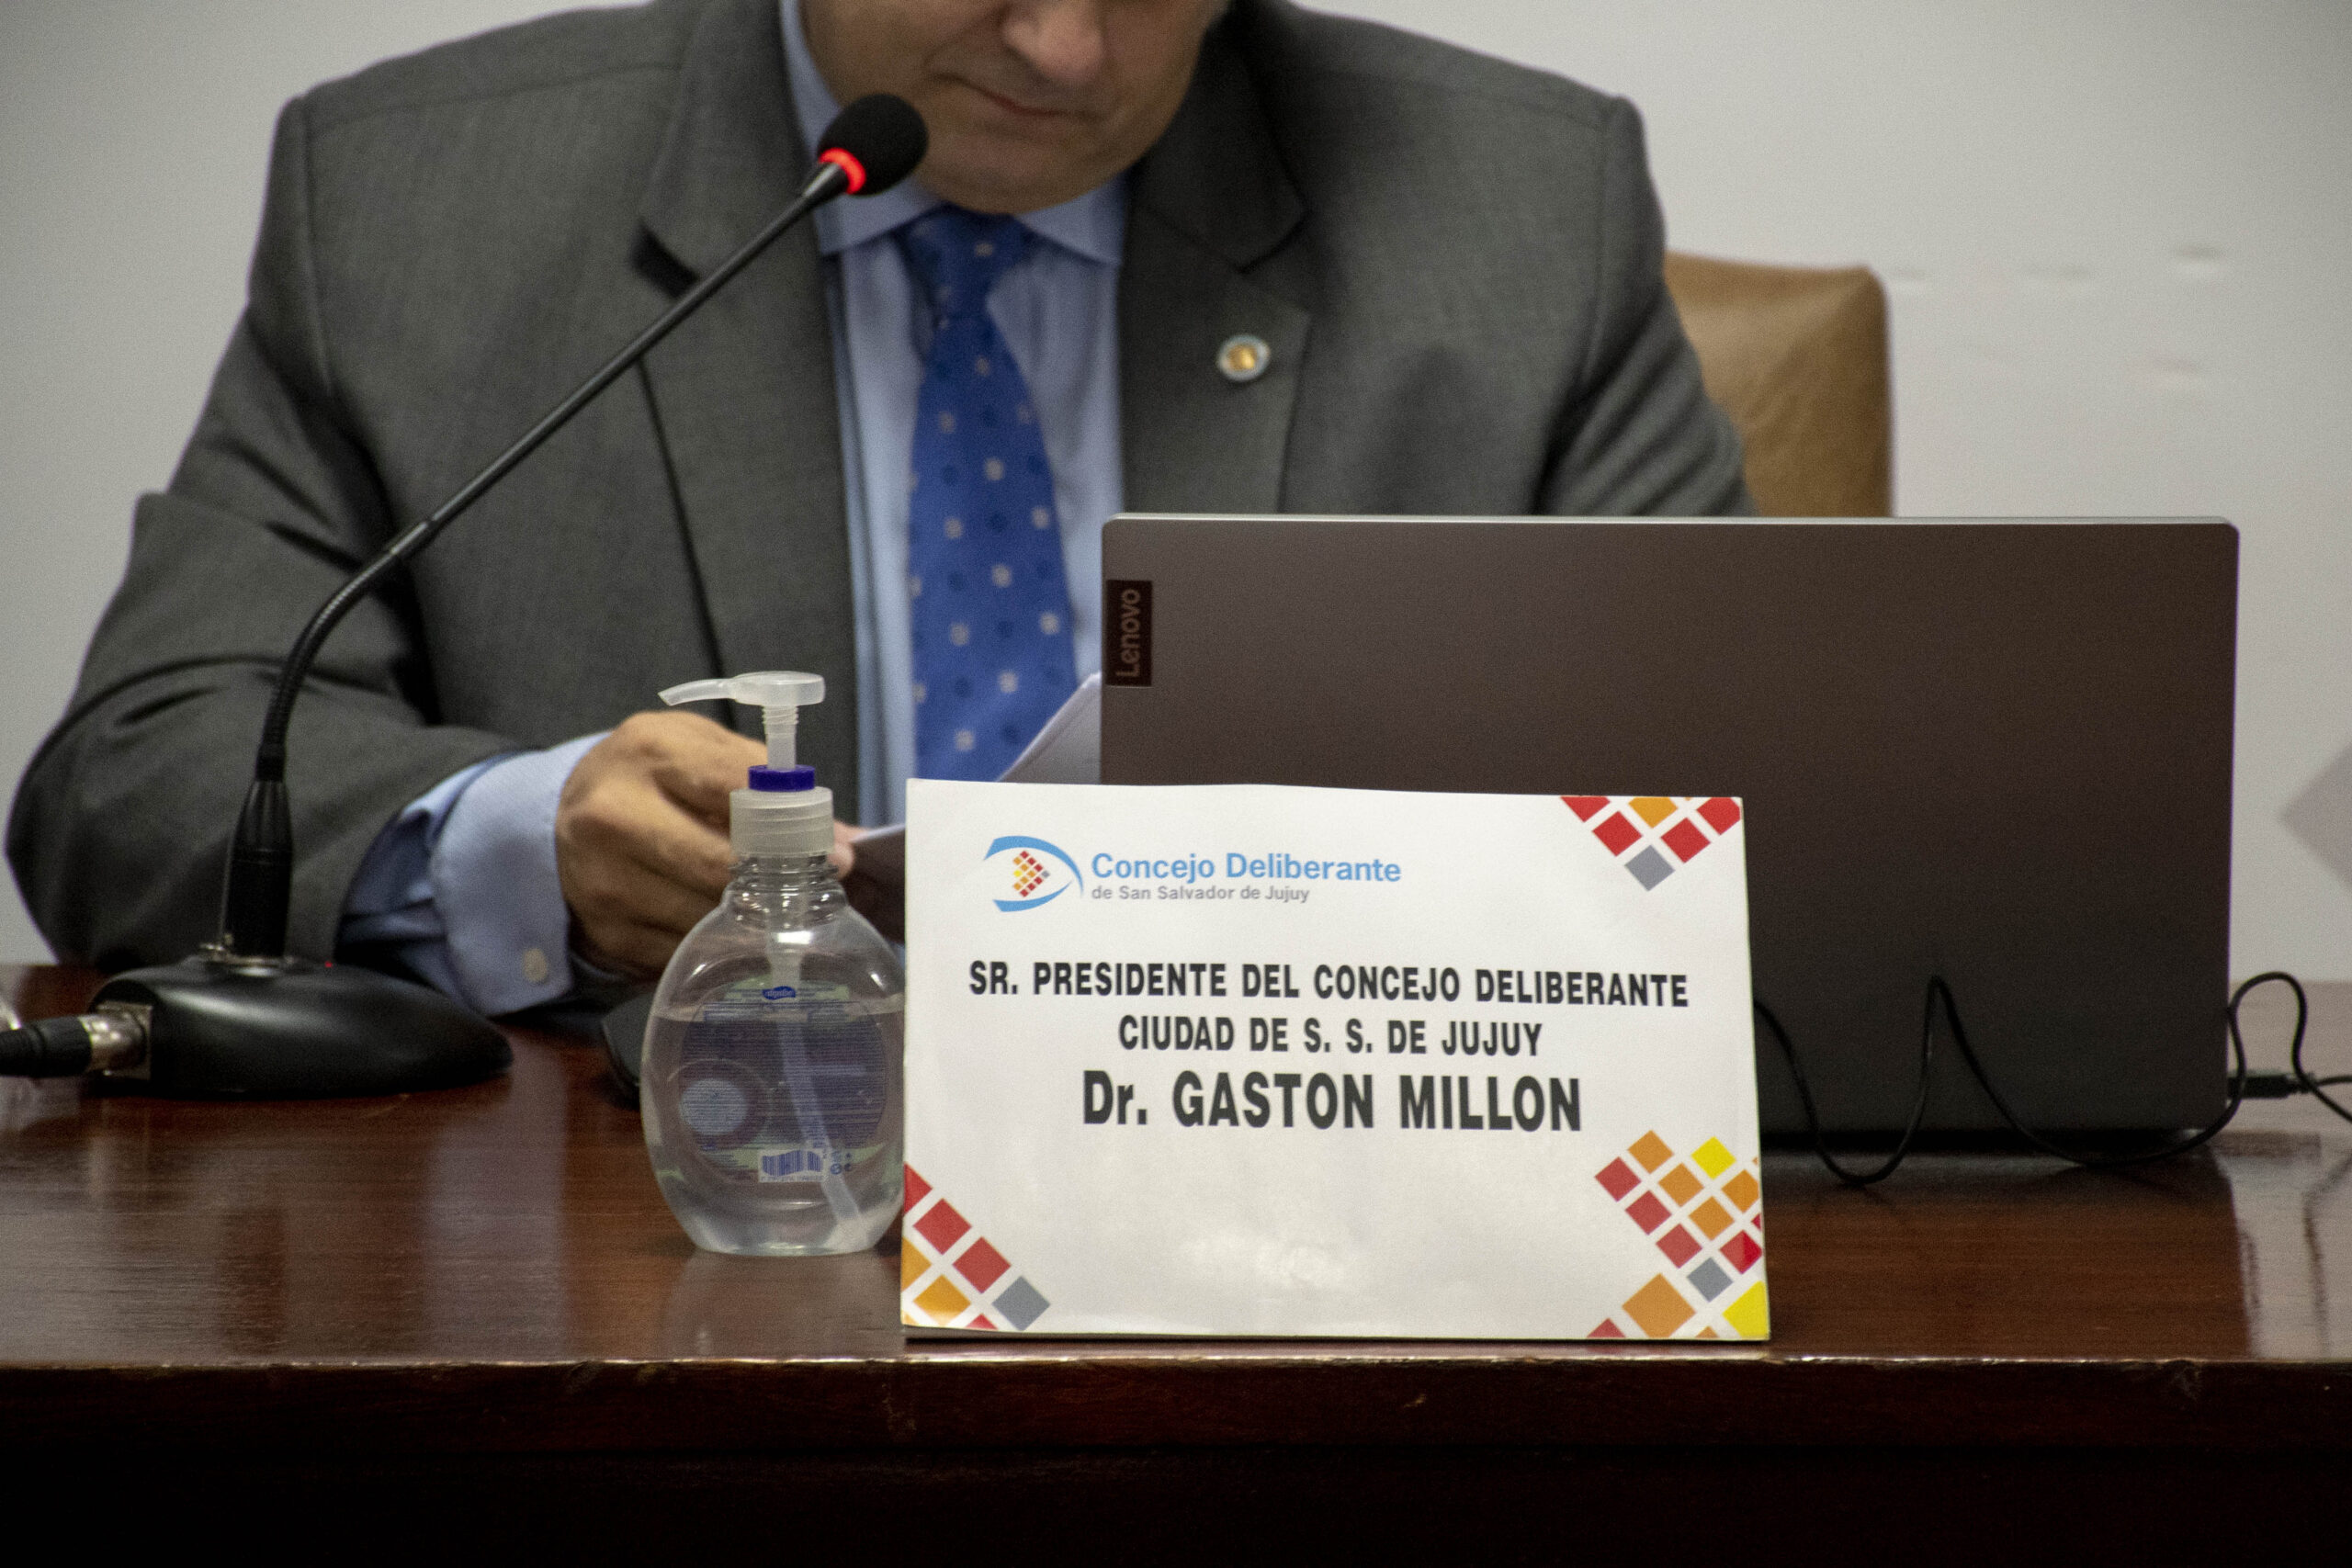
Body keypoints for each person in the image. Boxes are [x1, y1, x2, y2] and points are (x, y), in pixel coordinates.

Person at [9, 0, 1748, 1010]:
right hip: (661, 1250)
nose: (1065, 45)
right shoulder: (418, 199)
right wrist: (528, 845)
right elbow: (140, 779)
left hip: (1308, 1219)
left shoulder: (1530, 210)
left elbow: (1754, 813)